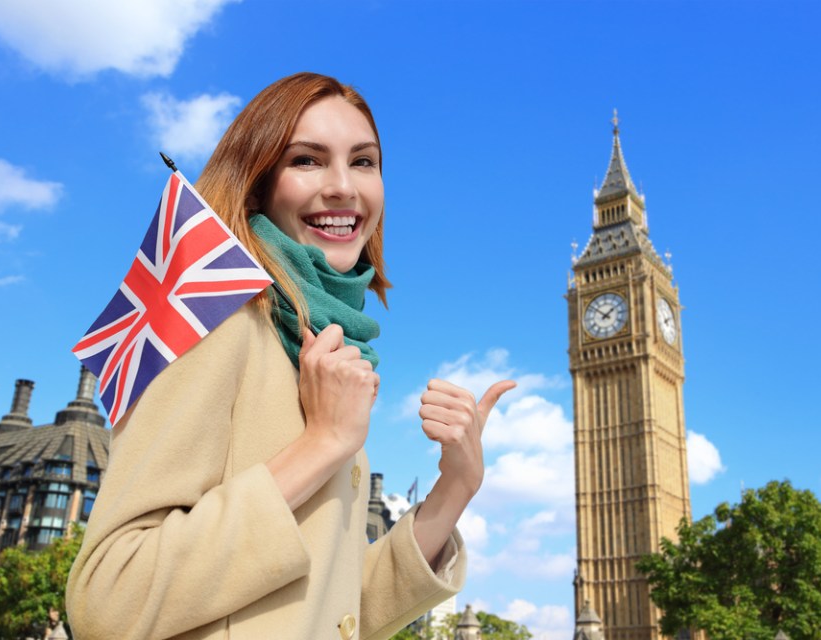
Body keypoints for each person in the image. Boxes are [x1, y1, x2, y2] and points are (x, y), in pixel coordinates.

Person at [65, 72, 514, 640]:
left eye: (364, 162)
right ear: (258, 183)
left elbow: (329, 611)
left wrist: (454, 489)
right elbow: (109, 598)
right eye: (307, 160)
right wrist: (321, 445)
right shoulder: (221, 322)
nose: (343, 187)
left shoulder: (327, 353)